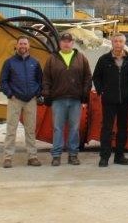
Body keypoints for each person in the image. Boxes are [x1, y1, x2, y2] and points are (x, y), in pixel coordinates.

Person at [42, 32, 92, 166]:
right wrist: (46, 94)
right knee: (58, 128)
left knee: (74, 128)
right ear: (59, 43)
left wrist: (84, 94)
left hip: (76, 100)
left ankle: (73, 155)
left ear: (72, 43)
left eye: (68, 41)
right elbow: (46, 78)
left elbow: (88, 77)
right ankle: (56, 155)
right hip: (58, 100)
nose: (66, 43)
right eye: (63, 41)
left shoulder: (81, 58)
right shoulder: (52, 59)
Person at [92, 33, 128, 167]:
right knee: (107, 128)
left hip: (125, 101)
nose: (118, 44)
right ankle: (104, 157)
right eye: (115, 41)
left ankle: (119, 156)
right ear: (112, 43)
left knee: (123, 129)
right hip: (109, 100)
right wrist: (101, 91)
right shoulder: (104, 59)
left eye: (120, 41)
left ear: (124, 43)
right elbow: (96, 77)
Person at [0, 36, 43, 168]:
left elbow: (40, 81)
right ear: (16, 46)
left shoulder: (35, 63)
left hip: (31, 100)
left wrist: (37, 93)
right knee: (11, 129)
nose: (23, 46)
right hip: (15, 100)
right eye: (20, 44)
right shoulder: (9, 63)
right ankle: (7, 158)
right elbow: (3, 81)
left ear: (28, 47)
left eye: (25, 44)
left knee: (30, 129)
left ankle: (32, 157)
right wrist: (10, 94)